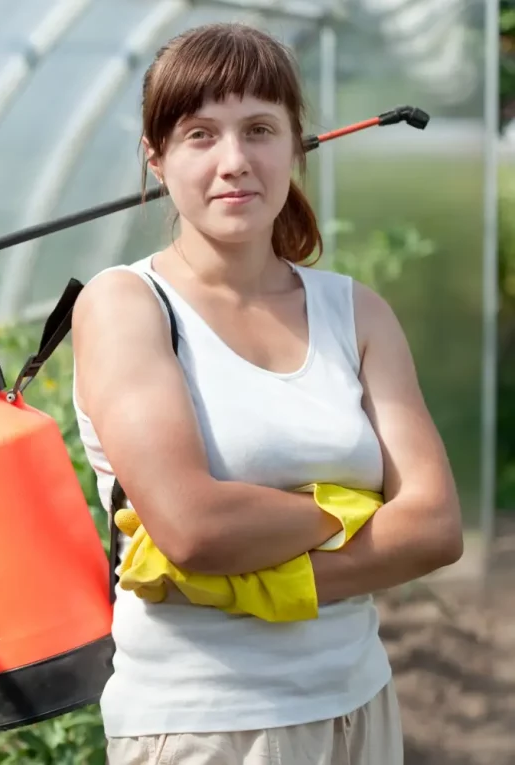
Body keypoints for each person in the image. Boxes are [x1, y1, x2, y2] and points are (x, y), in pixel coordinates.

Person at [70, 22, 464, 765]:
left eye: (259, 129)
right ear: (155, 157)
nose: (235, 161)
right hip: (207, 725)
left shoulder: (355, 311)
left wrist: (251, 578)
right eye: (200, 134)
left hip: (359, 706)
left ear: (295, 145)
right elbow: (191, 526)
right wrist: (352, 511)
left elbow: (437, 526)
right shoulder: (127, 305)